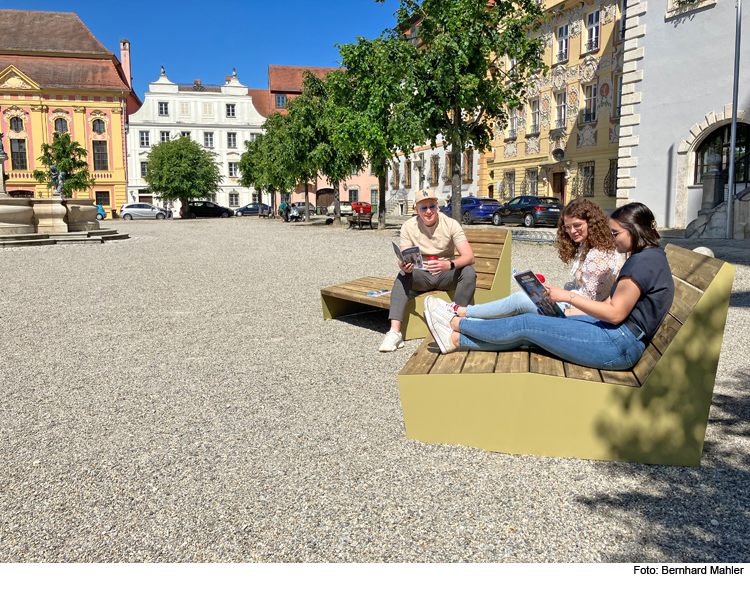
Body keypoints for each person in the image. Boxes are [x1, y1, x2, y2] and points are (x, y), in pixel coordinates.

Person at [423, 202, 674, 371]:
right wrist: (568, 312)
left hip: (618, 344)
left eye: (616, 233)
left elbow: (616, 312)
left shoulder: (642, 263)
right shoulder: (649, 258)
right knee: (534, 332)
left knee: (526, 324)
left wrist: (568, 298)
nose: (611, 238)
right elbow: (611, 305)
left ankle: (455, 322)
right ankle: (456, 338)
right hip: (616, 336)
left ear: (636, 230)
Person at [430, 198, 621, 321]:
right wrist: (553, 292)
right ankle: (467, 316)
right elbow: (581, 291)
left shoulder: (598, 255)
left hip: (581, 315)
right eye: (567, 227)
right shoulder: (588, 248)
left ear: (592, 222)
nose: (572, 231)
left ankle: (461, 312)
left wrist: (562, 306)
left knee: (519, 300)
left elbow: (590, 301)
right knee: (523, 299)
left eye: (577, 225)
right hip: (573, 306)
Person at [379, 188, 477, 352]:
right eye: (423, 208)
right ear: (416, 209)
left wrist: (449, 265)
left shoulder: (450, 224)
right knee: (403, 274)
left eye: (432, 206)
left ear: (437, 205)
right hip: (421, 275)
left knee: (468, 272)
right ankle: (394, 332)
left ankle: (453, 323)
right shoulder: (408, 226)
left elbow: (469, 256)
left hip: (445, 274)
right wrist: (404, 265)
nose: (429, 211)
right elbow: (403, 255)